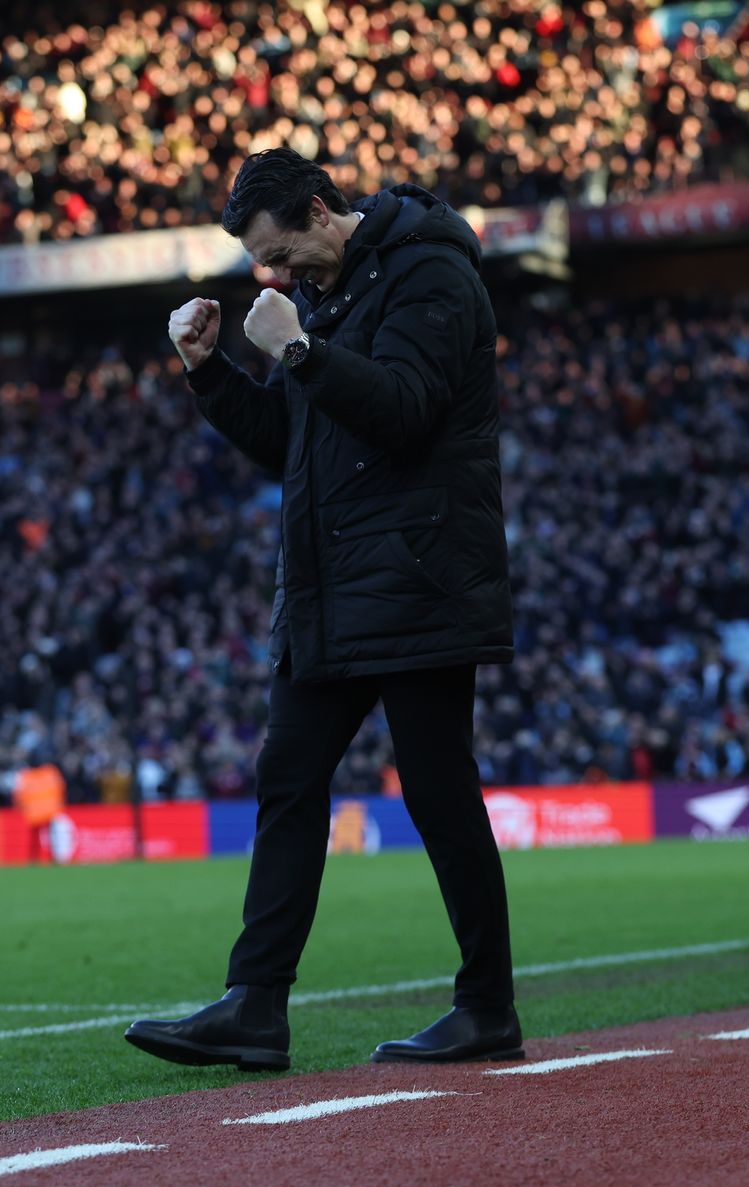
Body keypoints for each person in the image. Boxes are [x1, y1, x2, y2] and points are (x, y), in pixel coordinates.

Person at [124, 148, 520, 1070]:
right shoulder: (327, 291)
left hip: (418, 580)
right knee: (288, 779)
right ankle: (256, 1005)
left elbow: (408, 411)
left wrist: (299, 347)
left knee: (438, 793)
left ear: (316, 208)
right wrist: (212, 372)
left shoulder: (430, 269)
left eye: (279, 252)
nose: (274, 275)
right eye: (263, 263)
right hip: (330, 589)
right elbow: (294, 440)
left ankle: (488, 1007)